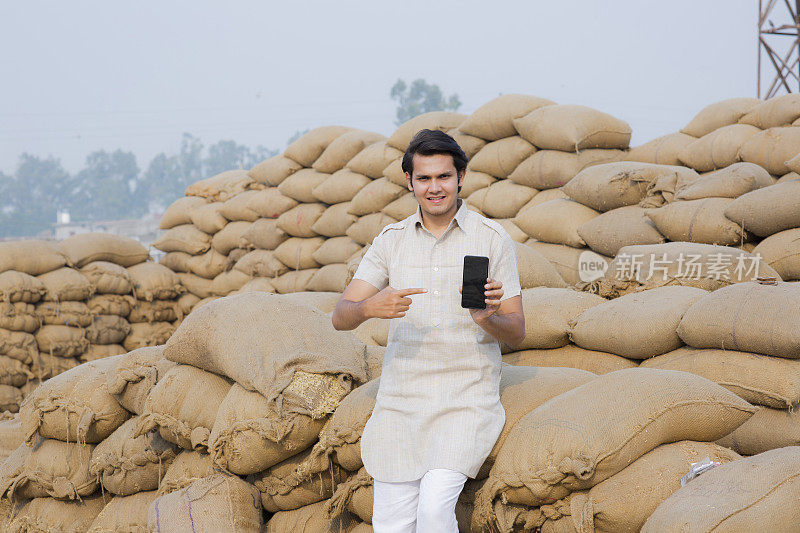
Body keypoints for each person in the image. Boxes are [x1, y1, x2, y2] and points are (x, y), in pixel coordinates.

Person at [331, 129, 525, 532]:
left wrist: (487, 317)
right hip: (402, 401)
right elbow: (340, 315)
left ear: (461, 177)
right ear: (409, 182)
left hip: (466, 398)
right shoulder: (392, 241)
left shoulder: (491, 239)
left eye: (443, 177)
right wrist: (370, 307)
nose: (434, 188)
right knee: (391, 522)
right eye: (424, 178)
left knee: (435, 512)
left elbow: (518, 330)